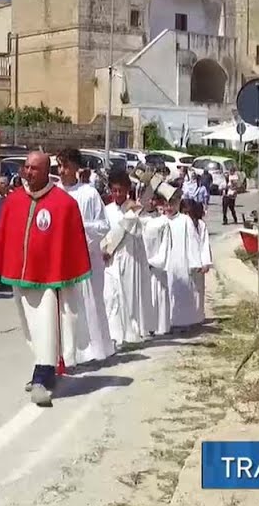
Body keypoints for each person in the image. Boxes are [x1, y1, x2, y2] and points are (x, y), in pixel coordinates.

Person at [0, 151, 93, 407]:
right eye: (26, 167)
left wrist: (64, 272)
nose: (28, 172)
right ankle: (44, 369)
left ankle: (42, 378)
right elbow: (5, 236)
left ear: (46, 171)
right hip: (22, 278)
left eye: (34, 168)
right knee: (31, 328)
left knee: (47, 326)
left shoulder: (63, 203)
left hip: (50, 280)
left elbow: (72, 242)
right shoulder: (14, 201)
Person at [56, 147, 115, 362]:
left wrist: (79, 227)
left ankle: (94, 350)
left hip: (86, 258)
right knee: (66, 307)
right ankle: (68, 352)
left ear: (75, 168)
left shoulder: (89, 193)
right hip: (61, 260)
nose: (61, 171)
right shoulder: (54, 193)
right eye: (59, 166)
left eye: (65, 166)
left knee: (89, 304)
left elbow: (103, 225)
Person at [100, 171, 154, 347]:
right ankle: (113, 334)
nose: (117, 195)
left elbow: (138, 231)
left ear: (127, 190)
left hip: (130, 257)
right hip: (111, 258)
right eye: (114, 191)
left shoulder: (135, 209)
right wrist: (104, 249)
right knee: (111, 296)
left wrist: (132, 213)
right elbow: (103, 232)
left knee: (128, 295)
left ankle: (130, 332)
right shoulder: (106, 210)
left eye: (120, 191)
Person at [162, 200, 205, 329]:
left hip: (182, 262)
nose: (169, 208)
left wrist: (196, 261)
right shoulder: (161, 221)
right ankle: (169, 321)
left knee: (183, 291)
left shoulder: (185, 220)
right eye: (166, 205)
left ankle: (185, 322)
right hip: (166, 262)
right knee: (168, 292)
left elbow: (193, 241)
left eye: (172, 204)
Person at [141, 194, 174, 336]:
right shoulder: (142, 220)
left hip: (156, 266)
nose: (150, 202)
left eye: (153, 199)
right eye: (148, 199)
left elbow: (165, 246)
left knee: (158, 293)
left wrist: (154, 262)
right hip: (143, 265)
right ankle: (146, 326)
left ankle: (161, 326)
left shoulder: (164, 222)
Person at [184, 199, 213, 327]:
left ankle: (197, 317)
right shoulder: (178, 223)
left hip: (197, 262)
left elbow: (205, 244)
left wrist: (205, 262)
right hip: (182, 262)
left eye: (188, 212)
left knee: (197, 291)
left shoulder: (200, 225)